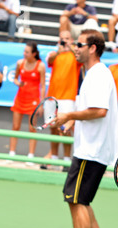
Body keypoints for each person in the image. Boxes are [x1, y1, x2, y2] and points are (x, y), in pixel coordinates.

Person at [53, 29, 118, 228]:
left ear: (92, 47)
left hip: (92, 150)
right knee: (81, 199)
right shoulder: (92, 74)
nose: (74, 48)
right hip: (90, 147)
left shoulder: (99, 74)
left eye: (79, 44)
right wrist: (71, 123)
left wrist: (68, 115)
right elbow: (89, 111)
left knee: (75, 200)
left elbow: (99, 111)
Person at [44, 30, 82, 168]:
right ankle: (54, 158)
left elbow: (79, 59)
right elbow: (49, 60)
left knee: (65, 129)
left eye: (66, 38)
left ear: (71, 40)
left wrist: (70, 47)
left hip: (68, 97)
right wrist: (60, 50)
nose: (64, 41)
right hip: (52, 97)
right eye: (62, 38)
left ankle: (66, 160)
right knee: (53, 128)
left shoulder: (75, 55)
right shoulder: (55, 54)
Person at [8, 41, 46, 164]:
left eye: (27, 52)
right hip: (20, 98)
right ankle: (12, 153)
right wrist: (18, 83)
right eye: (24, 51)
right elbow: (15, 78)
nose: (25, 54)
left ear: (34, 54)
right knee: (15, 126)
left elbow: (43, 86)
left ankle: (30, 155)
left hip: (33, 100)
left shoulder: (40, 66)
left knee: (32, 128)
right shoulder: (20, 63)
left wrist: (41, 103)